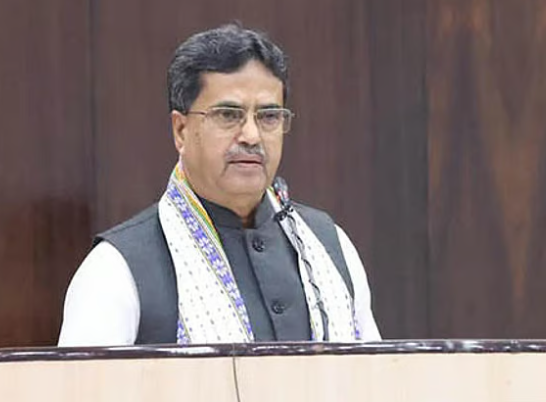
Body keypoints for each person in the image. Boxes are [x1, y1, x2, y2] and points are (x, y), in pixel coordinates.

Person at [58, 24, 380, 346]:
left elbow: (377, 373)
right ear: (181, 130)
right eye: (228, 115)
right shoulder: (116, 270)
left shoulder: (328, 247)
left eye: (269, 116)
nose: (251, 136)